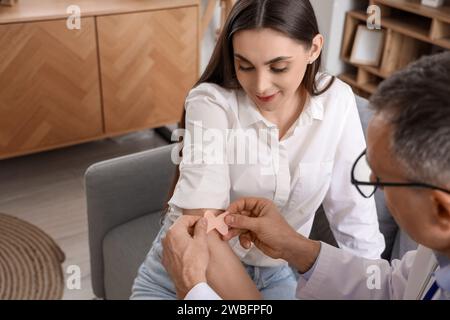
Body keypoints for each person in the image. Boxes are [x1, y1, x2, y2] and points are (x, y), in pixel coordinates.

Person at [131, 0, 385, 300]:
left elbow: (354, 217)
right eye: (245, 66)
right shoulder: (211, 103)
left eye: (279, 67)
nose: (261, 85)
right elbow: (204, 233)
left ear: (313, 49)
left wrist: (375, 289)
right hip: (186, 269)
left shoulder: (337, 102)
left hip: (274, 271)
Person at [162, 52, 450, 300]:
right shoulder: (435, 259)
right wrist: (296, 247)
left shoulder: (335, 101)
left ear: (442, 210)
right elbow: (389, 288)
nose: (372, 184)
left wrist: (194, 288)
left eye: (382, 180)